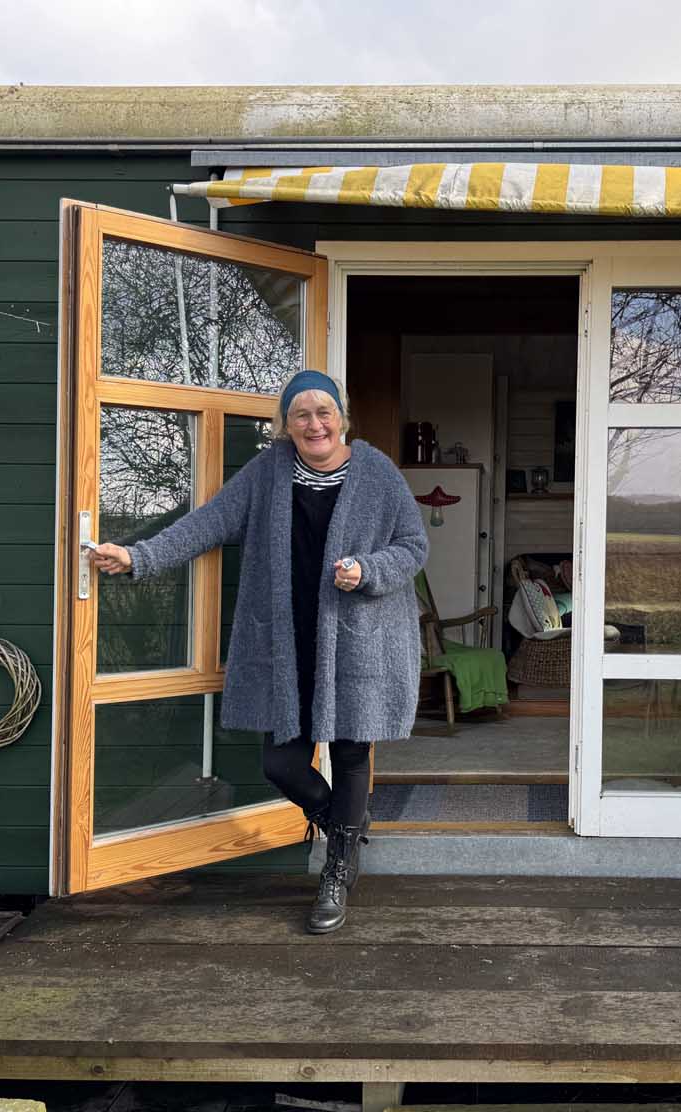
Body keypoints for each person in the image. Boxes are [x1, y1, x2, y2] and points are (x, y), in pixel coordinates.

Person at [89, 371, 427, 933]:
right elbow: (207, 524)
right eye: (301, 414)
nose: (314, 423)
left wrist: (368, 570)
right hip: (286, 641)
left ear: (342, 417)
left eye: (324, 412)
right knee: (281, 762)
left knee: (348, 756)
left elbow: (413, 547)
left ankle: (336, 872)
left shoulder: (377, 473)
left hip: (355, 641)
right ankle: (343, 831)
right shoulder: (268, 472)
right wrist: (137, 557)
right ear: (285, 424)